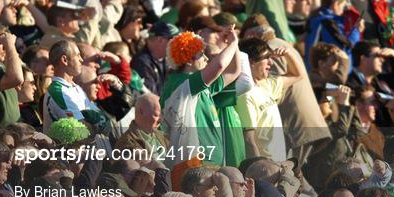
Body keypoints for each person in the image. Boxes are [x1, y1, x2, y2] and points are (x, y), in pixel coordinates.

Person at [161, 28, 240, 168]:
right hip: (195, 164)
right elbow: (219, 66)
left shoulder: (196, 83)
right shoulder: (182, 82)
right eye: (201, 55)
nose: (206, 58)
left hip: (209, 163)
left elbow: (234, 71)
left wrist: (234, 44)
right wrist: (233, 43)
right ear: (189, 60)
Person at [236, 37, 304, 161]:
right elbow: (248, 139)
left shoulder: (266, 84)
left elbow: (298, 75)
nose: (271, 63)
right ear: (251, 62)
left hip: (279, 162)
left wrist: (288, 54)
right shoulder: (244, 95)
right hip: (266, 167)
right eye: (266, 58)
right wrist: (260, 167)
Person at [42, 40, 101, 133]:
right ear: (65, 60)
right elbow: (81, 129)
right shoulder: (58, 92)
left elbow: (99, 116)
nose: (81, 59)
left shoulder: (75, 87)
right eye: (78, 55)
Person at [130, 22, 179, 95]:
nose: (177, 45)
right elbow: (151, 97)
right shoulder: (142, 63)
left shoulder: (165, 59)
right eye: (174, 41)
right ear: (160, 40)